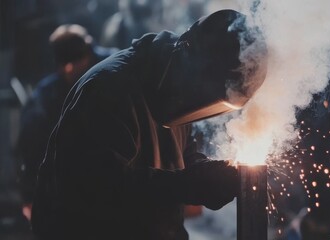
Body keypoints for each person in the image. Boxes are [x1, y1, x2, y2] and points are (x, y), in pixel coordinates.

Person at [31, 9, 267, 240]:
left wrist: (209, 174)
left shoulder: (178, 88)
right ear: (187, 55)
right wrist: (188, 184)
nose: (200, 102)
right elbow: (99, 187)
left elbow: (184, 155)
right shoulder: (109, 90)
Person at [16, 24, 117, 221]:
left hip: (120, 175)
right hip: (75, 183)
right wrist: (29, 193)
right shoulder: (48, 93)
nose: (68, 69)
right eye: (63, 64)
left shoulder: (116, 68)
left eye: (74, 62)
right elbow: (32, 141)